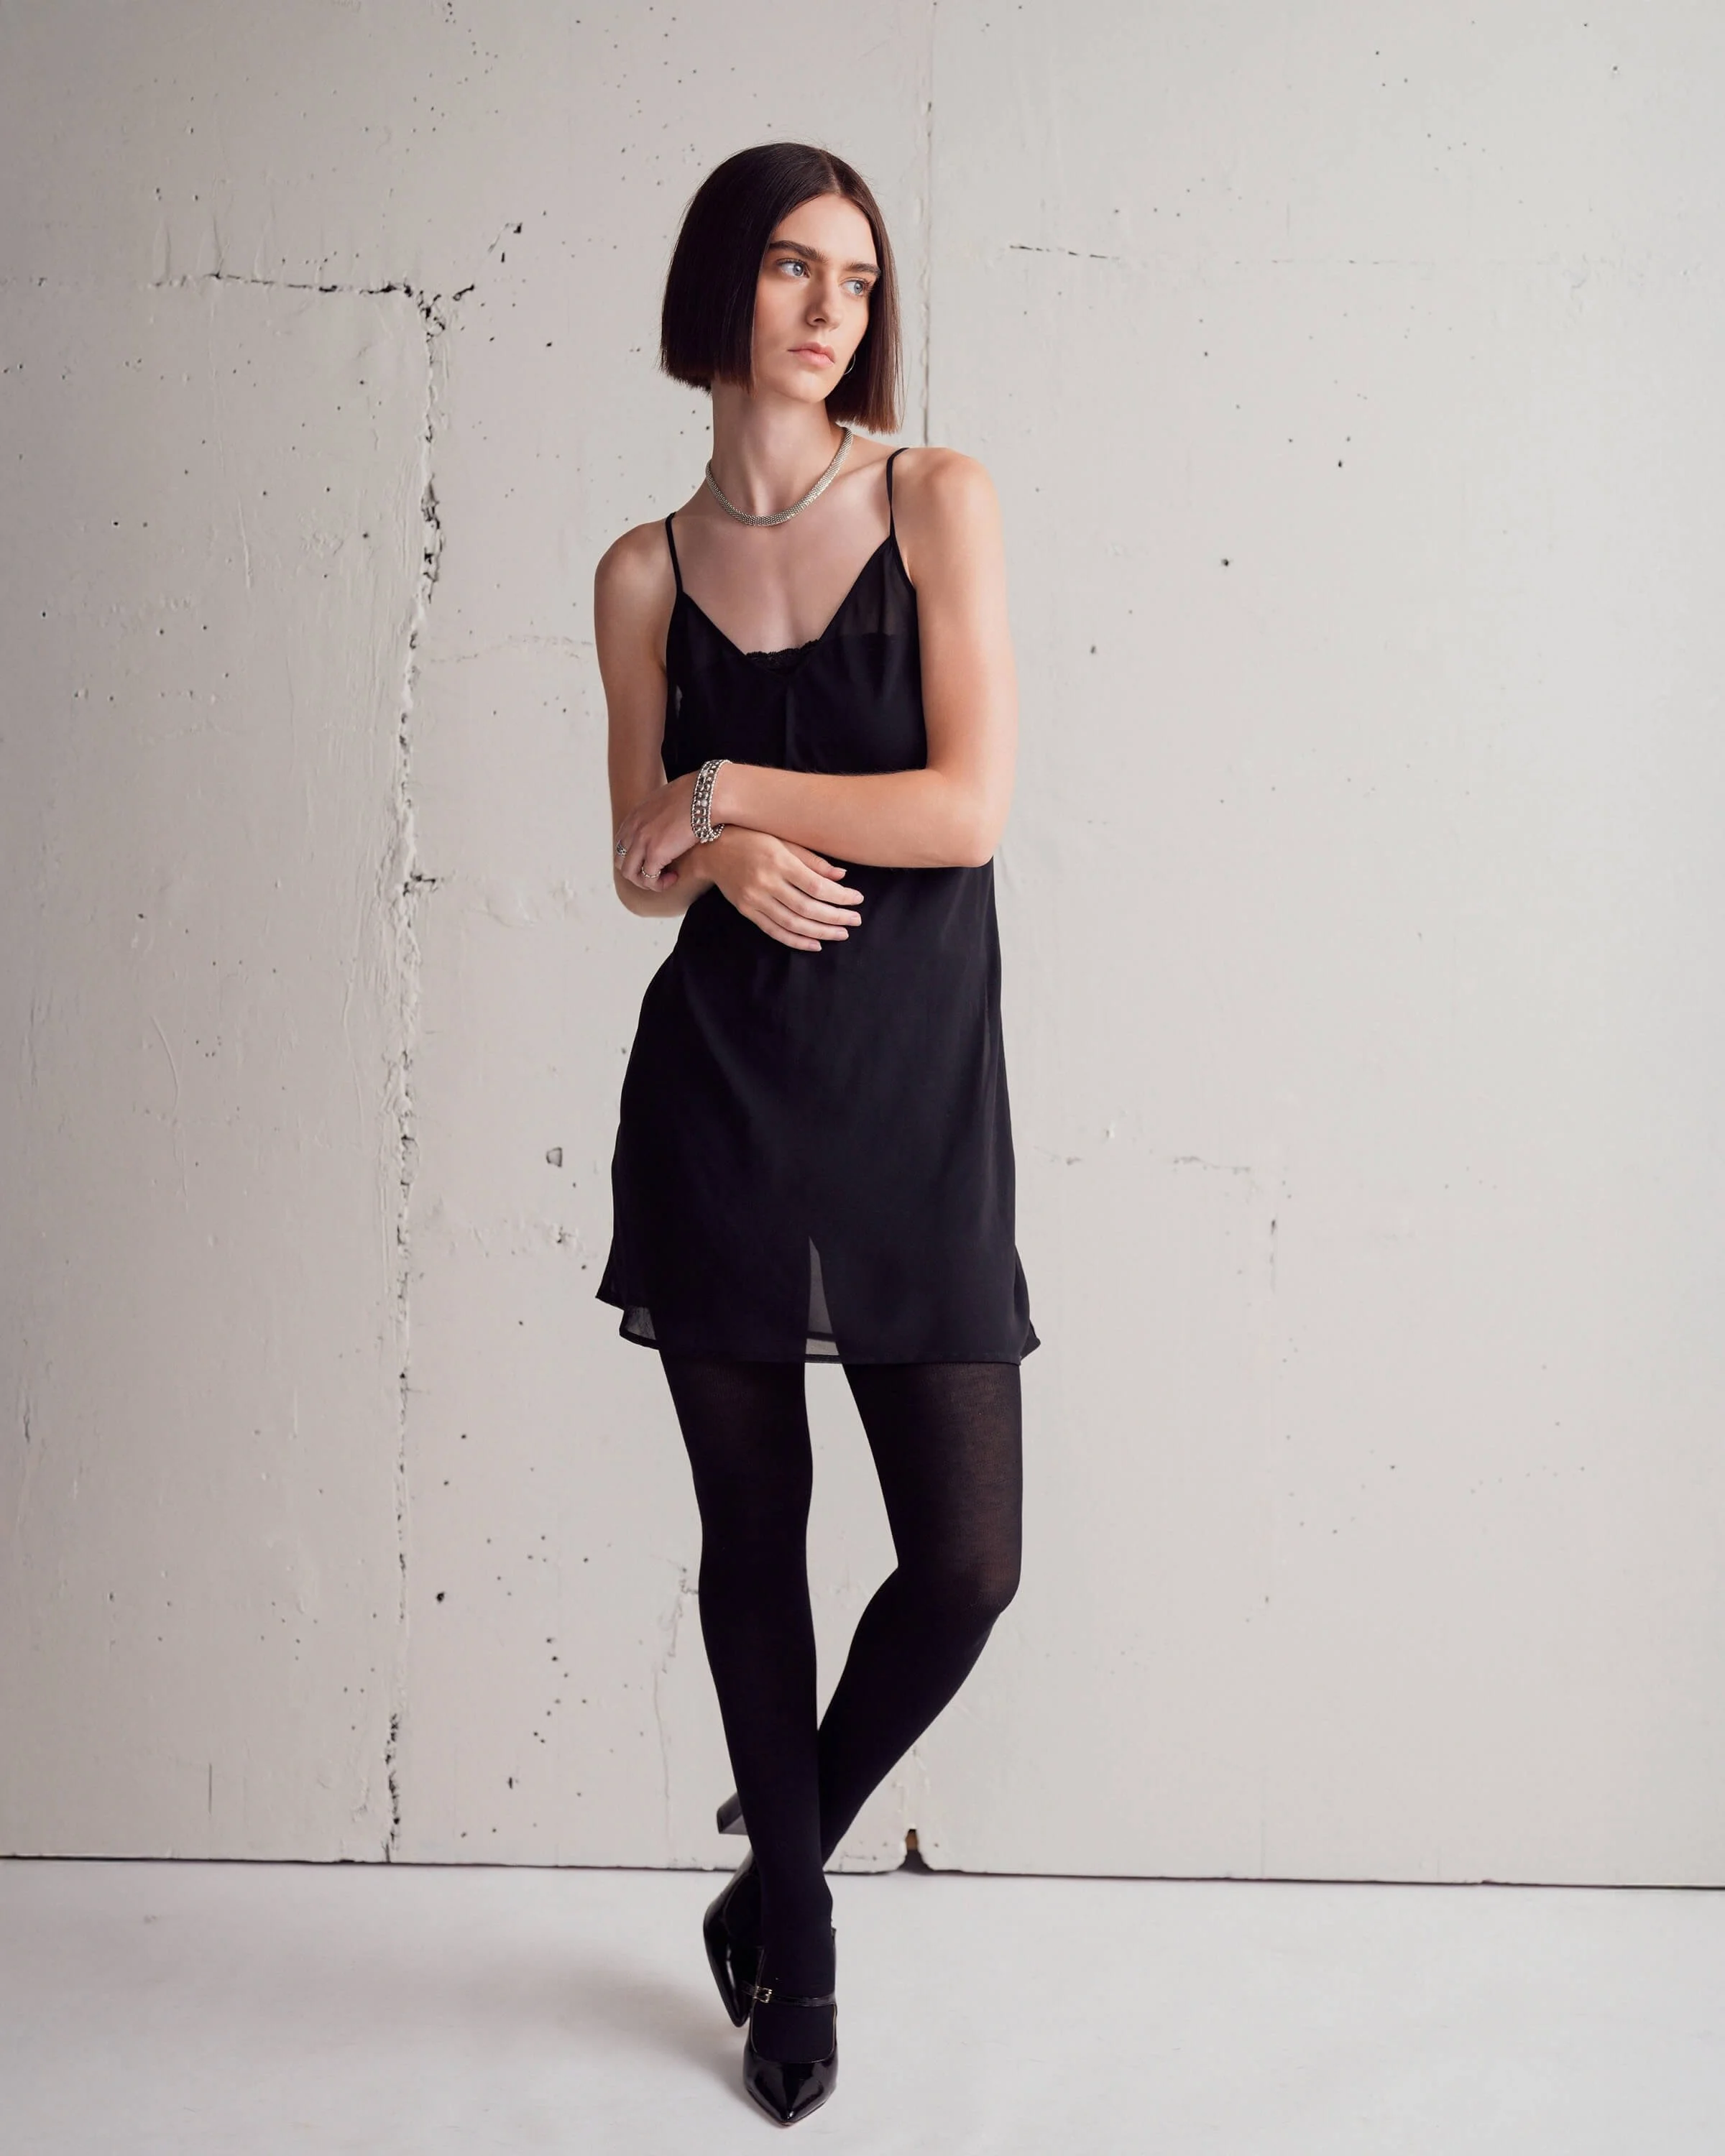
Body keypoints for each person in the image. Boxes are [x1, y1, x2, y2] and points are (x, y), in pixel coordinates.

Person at [594, 141, 1039, 2129]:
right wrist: (703, 835)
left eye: (855, 276)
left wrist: (739, 791)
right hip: (721, 1098)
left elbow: (967, 808)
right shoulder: (637, 571)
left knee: (965, 1560)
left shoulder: (939, 499)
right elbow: (636, 862)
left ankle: (775, 1867)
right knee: (749, 1538)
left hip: (916, 1102)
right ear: (725, 290)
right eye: (791, 266)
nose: (828, 305)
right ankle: (803, 1963)